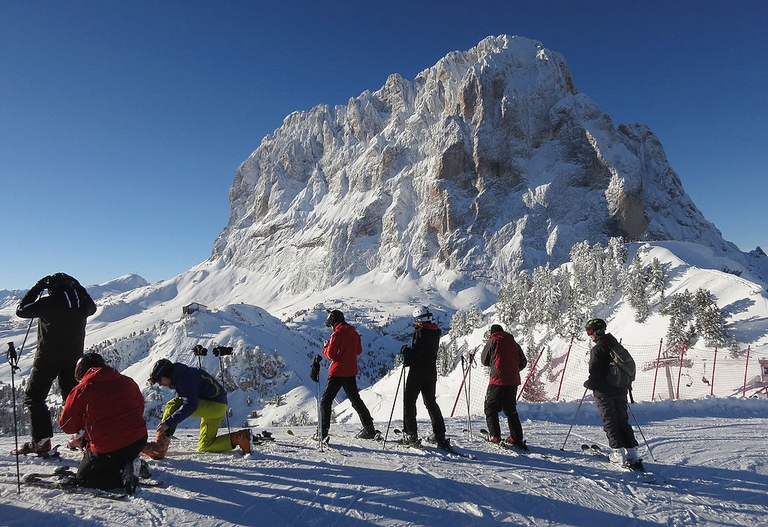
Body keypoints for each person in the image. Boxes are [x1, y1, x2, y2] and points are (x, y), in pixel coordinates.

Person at [14, 272, 97, 456]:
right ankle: (82, 435)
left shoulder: (49, 302)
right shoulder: (81, 304)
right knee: (72, 397)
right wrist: (79, 287)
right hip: (73, 359)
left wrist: (37, 288)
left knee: (34, 397)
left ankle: (41, 441)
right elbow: (93, 307)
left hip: (47, 358)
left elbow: (22, 310)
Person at [59, 353, 148, 494]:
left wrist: (85, 422)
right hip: (138, 439)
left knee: (85, 478)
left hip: (108, 446)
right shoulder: (128, 381)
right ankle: (130, 461)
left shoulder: (82, 389)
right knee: (119, 452)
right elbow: (139, 408)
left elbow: (67, 425)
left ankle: (123, 473)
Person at [142, 359, 252, 459]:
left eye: (159, 380)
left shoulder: (184, 378)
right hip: (218, 407)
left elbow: (191, 405)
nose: (160, 384)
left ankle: (160, 446)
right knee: (206, 445)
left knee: (174, 404)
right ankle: (240, 437)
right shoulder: (183, 376)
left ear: (165, 374)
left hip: (214, 405)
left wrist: (168, 422)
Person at [583, 318, 641, 468]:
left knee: (610, 421)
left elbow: (595, 373)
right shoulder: (615, 345)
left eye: (589, 331)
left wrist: (589, 384)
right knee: (622, 420)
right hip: (621, 390)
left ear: (597, 331)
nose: (589, 335)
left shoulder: (598, 349)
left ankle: (618, 454)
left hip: (604, 392)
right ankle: (632, 455)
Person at [319, 310, 376, 441]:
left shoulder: (336, 334)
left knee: (326, 401)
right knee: (356, 401)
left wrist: (325, 348)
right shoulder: (354, 333)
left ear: (333, 322)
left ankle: (323, 433)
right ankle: (369, 428)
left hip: (337, 372)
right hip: (351, 371)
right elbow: (359, 351)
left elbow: (331, 355)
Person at [400, 306, 450, 450]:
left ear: (419, 319)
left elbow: (417, 353)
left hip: (418, 372)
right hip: (430, 371)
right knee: (431, 403)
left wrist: (406, 352)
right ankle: (439, 434)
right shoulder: (435, 331)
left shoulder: (421, 332)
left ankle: (411, 434)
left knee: (409, 402)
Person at [480, 324, 528, 450]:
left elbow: (484, 360)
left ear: (492, 333)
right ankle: (516, 438)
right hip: (513, 380)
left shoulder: (493, 340)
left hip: (497, 380)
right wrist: (512, 371)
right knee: (510, 409)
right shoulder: (513, 342)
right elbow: (523, 362)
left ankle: (495, 436)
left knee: (490, 407)